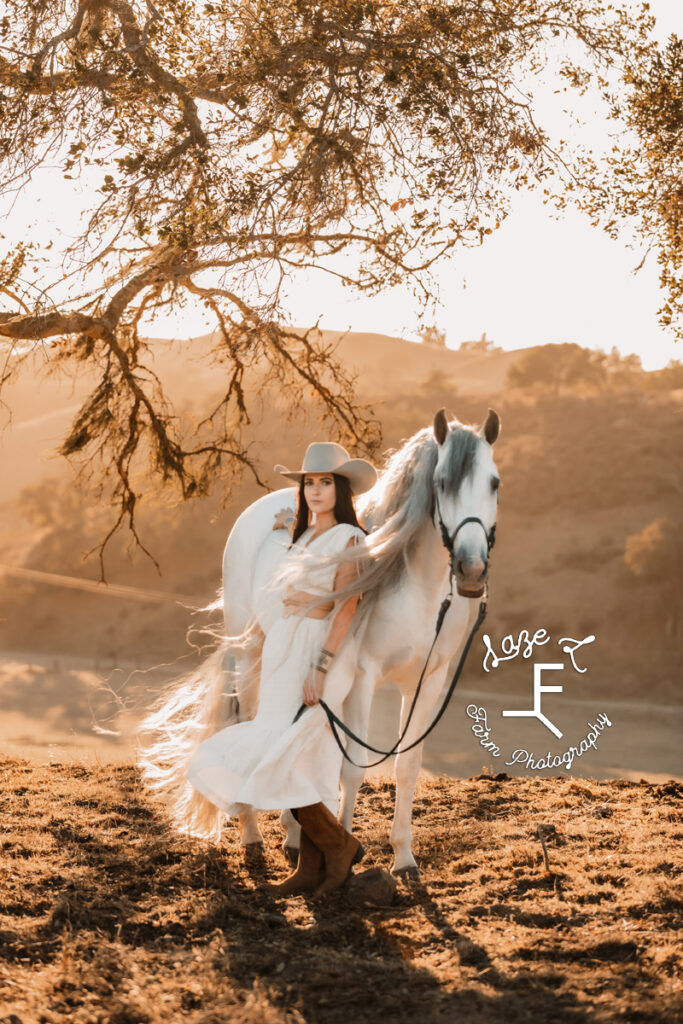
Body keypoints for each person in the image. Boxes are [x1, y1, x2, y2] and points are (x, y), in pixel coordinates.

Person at [185, 441, 377, 897]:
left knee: (284, 752)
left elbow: (347, 607)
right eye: (309, 483)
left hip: (315, 651)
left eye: (325, 483)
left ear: (341, 489)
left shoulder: (351, 539)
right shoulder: (303, 537)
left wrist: (322, 665)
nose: (315, 491)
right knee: (295, 760)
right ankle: (312, 870)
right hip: (283, 650)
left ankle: (340, 847)